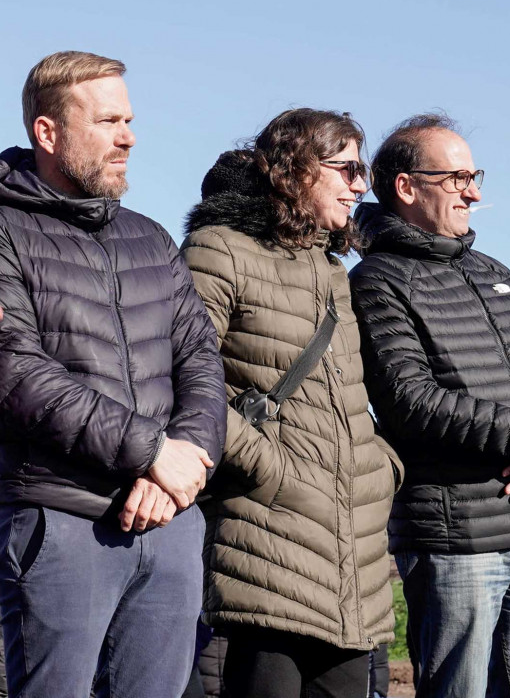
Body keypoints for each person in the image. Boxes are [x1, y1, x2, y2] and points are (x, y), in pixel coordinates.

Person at [0, 50, 227, 698]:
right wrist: (153, 451)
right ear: (47, 132)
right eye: (106, 121)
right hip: (60, 520)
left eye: (128, 119)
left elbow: (202, 362)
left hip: (170, 525)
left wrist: (182, 469)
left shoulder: (153, 239)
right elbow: (14, 376)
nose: (128, 136)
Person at [350, 114, 510, 698]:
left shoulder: (495, 272)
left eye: (474, 176)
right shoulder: (378, 280)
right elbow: (411, 400)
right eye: (456, 178)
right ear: (406, 187)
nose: (473, 192)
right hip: (457, 541)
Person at [182, 112, 402, 698]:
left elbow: (350, 403)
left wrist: (381, 468)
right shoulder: (218, 249)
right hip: (266, 540)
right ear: (293, 170)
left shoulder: (335, 273)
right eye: (349, 168)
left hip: (351, 556)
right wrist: (268, 468)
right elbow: (179, 381)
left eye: (366, 171)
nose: (361, 185)